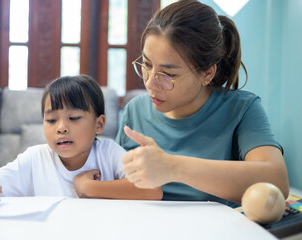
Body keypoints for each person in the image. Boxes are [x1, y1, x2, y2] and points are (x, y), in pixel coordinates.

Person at [116, 0, 289, 207]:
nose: (150, 83)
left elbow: (277, 183)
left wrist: (173, 167)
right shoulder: (135, 111)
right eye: (146, 64)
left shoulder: (242, 109)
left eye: (168, 74)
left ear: (207, 73)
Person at [0, 75, 162, 205]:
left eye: (74, 118)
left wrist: (88, 187)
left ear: (99, 124)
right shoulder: (35, 158)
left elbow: (153, 190)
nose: (61, 128)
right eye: (51, 120)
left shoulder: (109, 152)